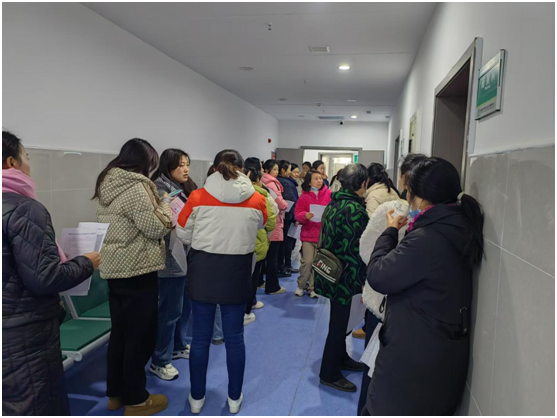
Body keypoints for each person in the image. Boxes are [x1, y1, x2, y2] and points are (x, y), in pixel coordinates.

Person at [363, 157, 484, 416]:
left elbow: (378, 275)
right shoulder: (456, 225)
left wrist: (389, 232)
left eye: (409, 192)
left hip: (414, 360)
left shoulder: (427, 238)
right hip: (437, 351)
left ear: (419, 197)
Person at [2, 131, 101, 416]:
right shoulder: (24, 209)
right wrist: (86, 263)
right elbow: (44, 278)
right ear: (11, 162)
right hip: (23, 332)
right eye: (26, 156)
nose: (29, 163)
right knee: (37, 403)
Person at [176, 149, 267, 415]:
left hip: (203, 270)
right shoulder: (257, 198)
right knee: (235, 338)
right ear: (244, 170)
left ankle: (196, 398)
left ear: (215, 168)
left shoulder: (197, 196)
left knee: (201, 339)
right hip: (237, 271)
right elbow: (262, 224)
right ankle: (234, 398)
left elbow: (182, 232)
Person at [94, 138, 172, 416]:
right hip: (138, 269)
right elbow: (156, 228)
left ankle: (115, 394)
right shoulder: (137, 187)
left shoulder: (107, 184)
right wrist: (165, 204)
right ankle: (137, 400)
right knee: (140, 336)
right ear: (143, 162)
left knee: (121, 334)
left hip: (115, 269)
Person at [314, 164, 369, 392]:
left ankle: (341, 357)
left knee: (339, 321)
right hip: (346, 276)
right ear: (363, 184)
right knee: (339, 325)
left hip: (331, 270)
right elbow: (359, 248)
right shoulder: (355, 209)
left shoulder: (334, 202)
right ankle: (329, 373)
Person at [149, 149, 197, 381]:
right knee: (169, 311)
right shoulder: (161, 189)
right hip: (169, 259)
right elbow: (163, 222)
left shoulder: (181, 188)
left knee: (183, 305)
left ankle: (178, 345)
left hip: (183, 256)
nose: (185, 169)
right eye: (180, 165)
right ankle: (160, 360)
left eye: (187, 164)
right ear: (168, 166)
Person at [353, 163, 400, 340]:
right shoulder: (392, 191)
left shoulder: (373, 196)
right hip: (394, 243)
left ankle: (369, 327)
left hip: (380, 246)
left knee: (374, 290)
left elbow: (370, 228)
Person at [243, 159, 277, 325]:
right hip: (257, 241)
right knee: (252, 278)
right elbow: (270, 221)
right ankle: (246, 311)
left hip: (237, 243)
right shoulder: (261, 195)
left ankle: (246, 307)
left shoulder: (234, 195)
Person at [294, 170, 331, 298]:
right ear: (309, 182)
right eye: (316, 179)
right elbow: (297, 213)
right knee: (307, 262)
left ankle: (313, 288)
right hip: (308, 235)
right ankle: (301, 285)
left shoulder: (329, 194)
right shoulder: (304, 197)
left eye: (320, 178)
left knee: (317, 264)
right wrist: (305, 216)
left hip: (322, 236)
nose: (319, 181)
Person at [261, 159, 288, 294]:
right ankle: (272, 286)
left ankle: (259, 281)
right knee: (272, 257)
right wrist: (286, 205)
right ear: (267, 170)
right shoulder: (272, 184)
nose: (277, 172)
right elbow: (280, 203)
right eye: (274, 169)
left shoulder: (262, 182)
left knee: (262, 256)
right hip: (275, 221)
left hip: (264, 223)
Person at [277, 160, 299, 275]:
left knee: (286, 242)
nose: (291, 173)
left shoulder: (286, 182)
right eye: (290, 170)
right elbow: (292, 200)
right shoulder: (285, 182)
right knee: (286, 242)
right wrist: (296, 217)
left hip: (284, 215)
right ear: (283, 170)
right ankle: (284, 266)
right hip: (287, 216)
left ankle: (285, 265)